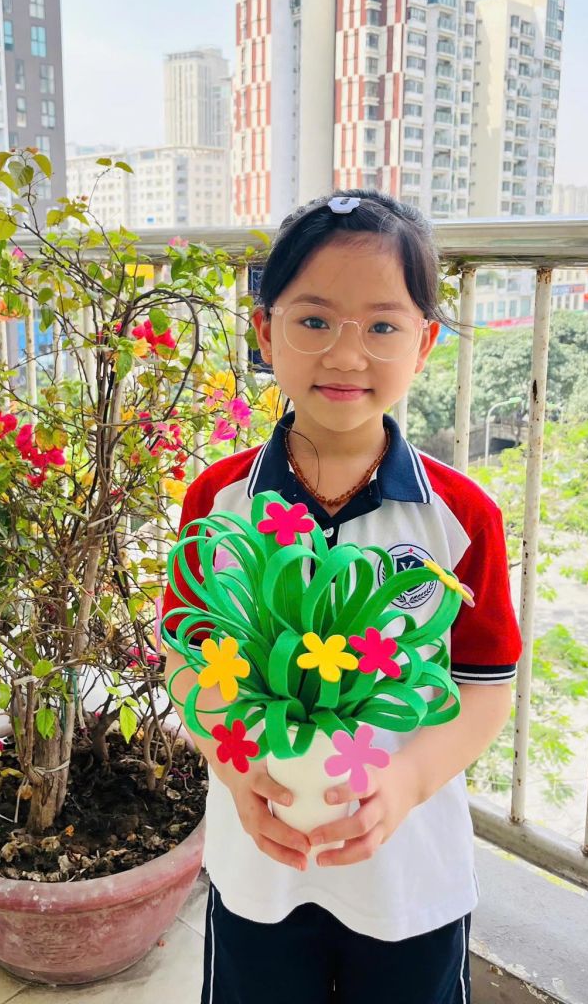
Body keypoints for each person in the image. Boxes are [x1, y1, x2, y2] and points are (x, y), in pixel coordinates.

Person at [162, 190, 523, 1004]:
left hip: (408, 872)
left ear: (425, 342)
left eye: (383, 326)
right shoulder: (219, 500)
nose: (347, 355)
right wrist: (234, 768)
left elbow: (485, 687)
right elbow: (188, 659)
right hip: (260, 864)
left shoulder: (461, 515)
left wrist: (405, 785)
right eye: (315, 320)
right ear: (265, 332)